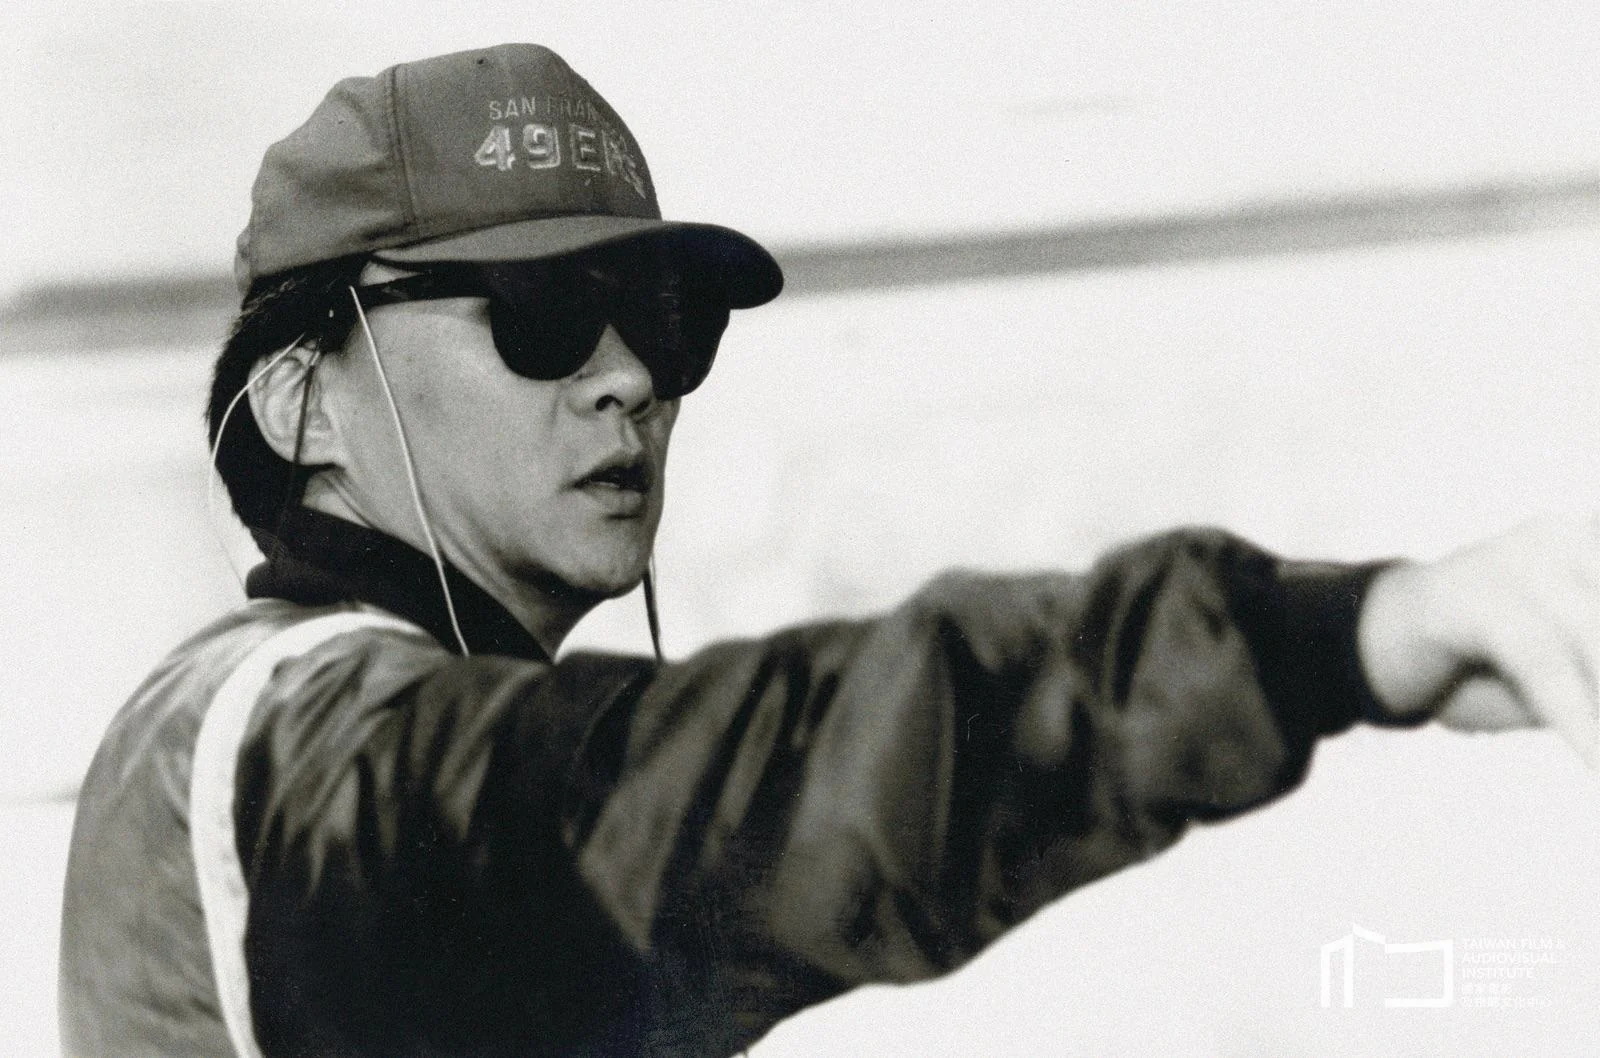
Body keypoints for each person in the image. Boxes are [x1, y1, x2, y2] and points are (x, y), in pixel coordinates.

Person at [58, 42, 1598, 1058]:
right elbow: (782, 774)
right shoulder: (306, 751)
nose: (629, 376)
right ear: (301, 396)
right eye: (540, 315)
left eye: (661, 319)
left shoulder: (306, 737)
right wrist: (1335, 638)